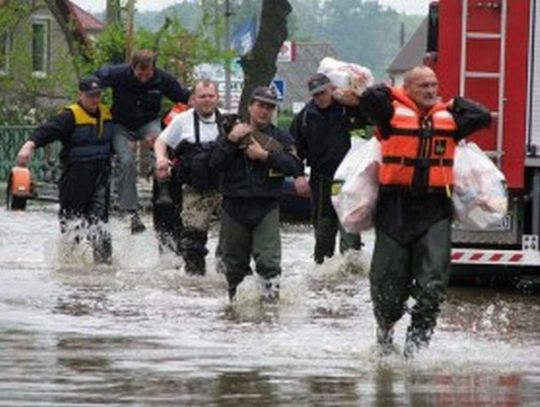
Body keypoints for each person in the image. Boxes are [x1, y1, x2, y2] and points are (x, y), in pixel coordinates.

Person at [356, 65, 491, 358]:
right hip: (394, 208)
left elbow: (482, 116)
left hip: (434, 210)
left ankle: (415, 352)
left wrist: (455, 103)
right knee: (387, 285)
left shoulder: (451, 119)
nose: (431, 91)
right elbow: (368, 99)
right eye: (423, 86)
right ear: (407, 89)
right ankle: (386, 331)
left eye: (434, 85)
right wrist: (394, 92)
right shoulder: (390, 116)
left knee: (433, 287)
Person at [209, 86, 304, 302]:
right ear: (250, 106)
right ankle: (236, 311)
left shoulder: (280, 137)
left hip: (266, 206)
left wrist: (265, 156)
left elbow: (294, 165)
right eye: (260, 105)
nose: (263, 111)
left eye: (269, 107)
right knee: (233, 266)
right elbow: (214, 164)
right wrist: (232, 141)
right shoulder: (229, 133)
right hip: (234, 207)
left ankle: (270, 313)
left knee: (269, 263)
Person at [16, 76, 115, 264]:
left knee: (100, 222)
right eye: (90, 95)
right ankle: (68, 266)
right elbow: (47, 130)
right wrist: (28, 145)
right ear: (81, 95)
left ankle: (104, 268)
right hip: (75, 175)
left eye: (97, 95)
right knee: (72, 221)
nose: (95, 99)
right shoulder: (69, 116)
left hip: (100, 174)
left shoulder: (107, 113)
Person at [95, 49, 190, 234]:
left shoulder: (163, 79)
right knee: (126, 160)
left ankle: (164, 193)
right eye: (140, 74)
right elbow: (95, 79)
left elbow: (183, 96)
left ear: (153, 68)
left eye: (148, 74)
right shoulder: (118, 74)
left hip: (148, 122)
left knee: (162, 151)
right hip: (121, 124)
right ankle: (131, 212)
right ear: (133, 68)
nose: (144, 78)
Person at [290, 73, 365, 265]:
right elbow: (293, 151)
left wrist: (356, 97)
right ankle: (322, 272)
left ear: (332, 89)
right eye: (315, 95)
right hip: (322, 179)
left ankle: (351, 272)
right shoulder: (304, 117)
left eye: (323, 92)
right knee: (324, 229)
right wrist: (298, 175)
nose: (320, 98)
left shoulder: (349, 109)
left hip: (349, 179)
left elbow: (375, 115)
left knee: (349, 229)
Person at [154, 80, 222, 275]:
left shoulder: (229, 120)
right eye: (202, 96)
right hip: (195, 190)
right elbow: (161, 141)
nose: (207, 100)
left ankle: (225, 280)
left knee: (233, 241)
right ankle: (195, 285)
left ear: (217, 98)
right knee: (191, 243)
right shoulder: (182, 120)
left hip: (225, 189)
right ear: (193, 99)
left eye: (210, 96)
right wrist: (161, 159)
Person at [151, 102, 190, 256]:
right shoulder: (176, 114)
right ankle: (167, 257)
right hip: (169, 171)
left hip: (194, 175)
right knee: (166, 220)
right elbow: (161, 139)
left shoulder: (214, 117)